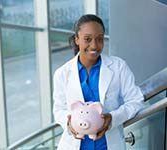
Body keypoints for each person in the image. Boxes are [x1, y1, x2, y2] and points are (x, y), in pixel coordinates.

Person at [53, 14, 144, 150]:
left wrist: (112, 119)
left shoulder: (118, 67)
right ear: (77, 39)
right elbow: (59, 109)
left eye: (99, 39)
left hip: (108, 144)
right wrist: (70, 123)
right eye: (87, 39)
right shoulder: (62, 73)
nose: (94, 45)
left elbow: (136, 100)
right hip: (73, 145)